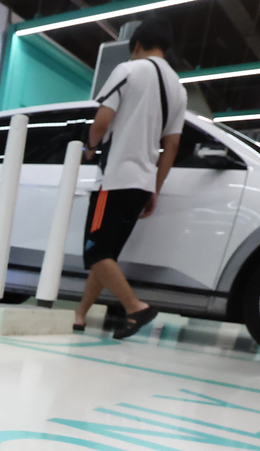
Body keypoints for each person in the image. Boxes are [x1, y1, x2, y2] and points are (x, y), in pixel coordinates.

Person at [73, 16, 188, 339]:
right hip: (141, 185)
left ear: (136, 45)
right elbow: (173, 145)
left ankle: (135, 307)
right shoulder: (178, 89)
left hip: (113, 181)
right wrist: (155, 189)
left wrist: (90, 149)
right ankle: (80, 316)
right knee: (106, 254)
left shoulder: (128, 70)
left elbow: (100, 123)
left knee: (95, 252)